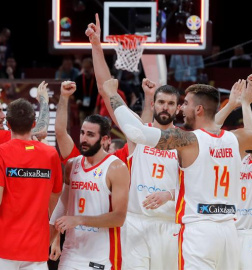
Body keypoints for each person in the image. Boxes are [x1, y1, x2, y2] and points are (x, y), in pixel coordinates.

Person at [103, 75, 252, 269]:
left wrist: (112, 95)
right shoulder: (236, 139)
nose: (182, 108)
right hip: (229, 232)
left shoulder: (187, 140)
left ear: (198, 109)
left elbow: (136, 132)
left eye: (186, 104)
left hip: (199, 231)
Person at [86, 14, 181, 270]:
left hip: (170, 223)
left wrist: (170, 194)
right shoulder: (139, 133)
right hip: (136, 222)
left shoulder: (185, 141)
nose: (165, 107)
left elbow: (195, 183)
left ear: (178, 109)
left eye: (171, 104)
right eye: (161, 102)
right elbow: (108, 92)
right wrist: (96, 46)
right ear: (153, 103)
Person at [49, 113, 130, 270]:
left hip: (102, 257)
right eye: (82, 133)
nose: (84, 139)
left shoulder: (116, 168)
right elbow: (62, 205)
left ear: (105, 139)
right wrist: (52, 239)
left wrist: (79, 220)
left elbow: (119, 218)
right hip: (71, 253)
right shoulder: (72, 165)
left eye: (91, 135)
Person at [0, 98, 62, 270]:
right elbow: (56, 201)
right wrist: (55, 237)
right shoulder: (50, 155)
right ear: (33, 123)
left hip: (4, 248)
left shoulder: (2, 153)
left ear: (9, 125)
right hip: (37, 249)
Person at [216, 74, 252, 269]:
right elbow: (210, 133)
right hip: (231, 233)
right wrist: (231, 105)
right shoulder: (238, 158)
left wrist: (248, 104)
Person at [74, 57, 98, 125]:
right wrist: (78, 100)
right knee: (83, 126)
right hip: (82, 107)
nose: (87, 70)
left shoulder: (96, 79)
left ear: (92, 68)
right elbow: (76, 91)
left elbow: (98, 93)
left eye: (88, 67)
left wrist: (96, 105)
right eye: (85, 67)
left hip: (94, 107)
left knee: (94, 125)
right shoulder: (79, 79)